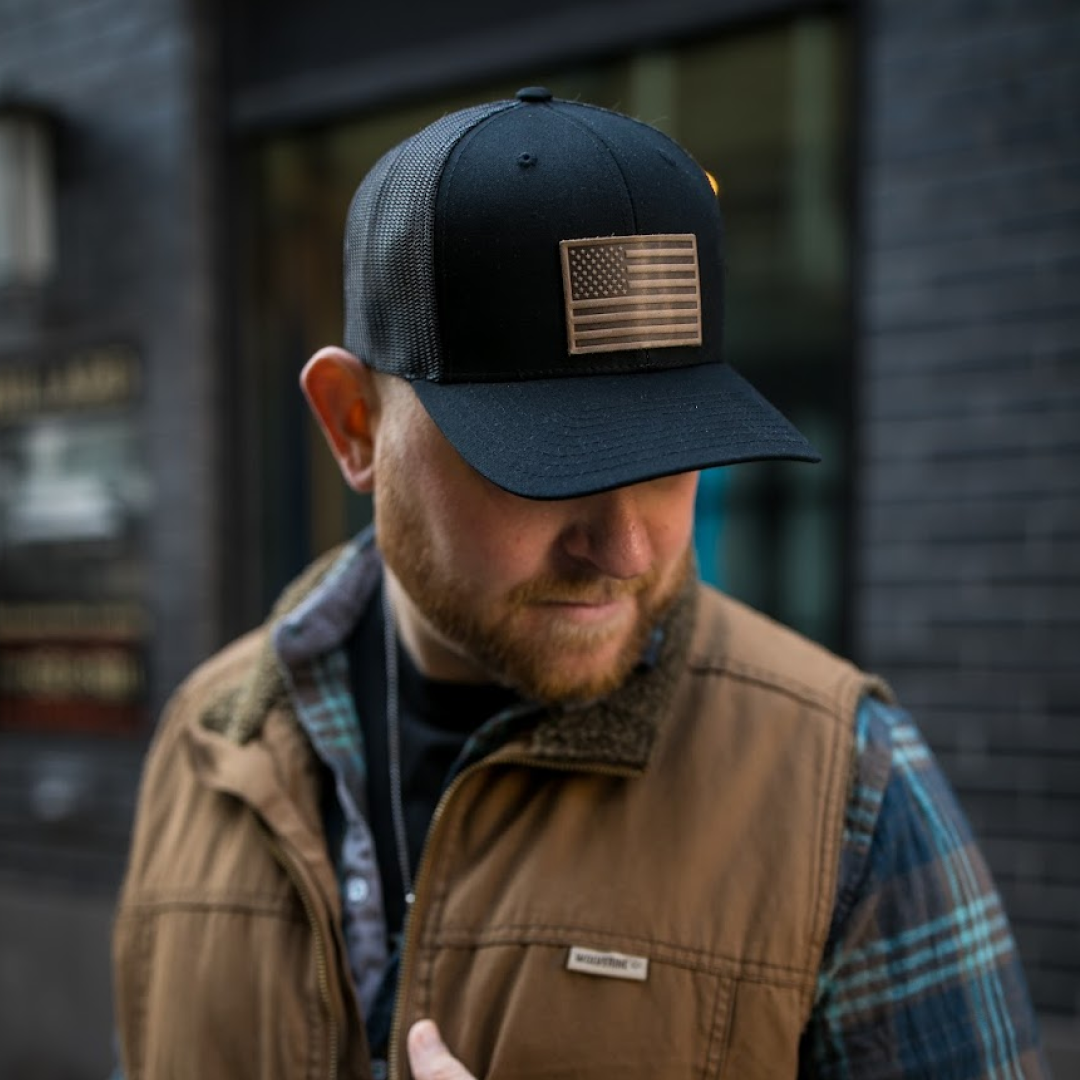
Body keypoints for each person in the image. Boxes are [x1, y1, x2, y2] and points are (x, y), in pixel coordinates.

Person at [112, 88, 1047, 1079]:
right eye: (548, 464)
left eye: (673, 456)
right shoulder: (207, 741)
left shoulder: (849, 789)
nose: (631, 549)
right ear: (353, 424)